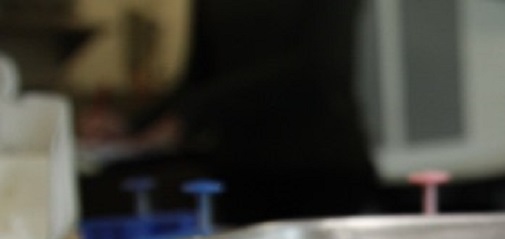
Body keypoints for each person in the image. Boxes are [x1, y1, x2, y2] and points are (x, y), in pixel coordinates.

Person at [130, 0, 379, 225]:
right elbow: (198, 74)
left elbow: (316, 67)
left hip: (318, 164)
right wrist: (133, 125)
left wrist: (191, 111)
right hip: (240, 167)